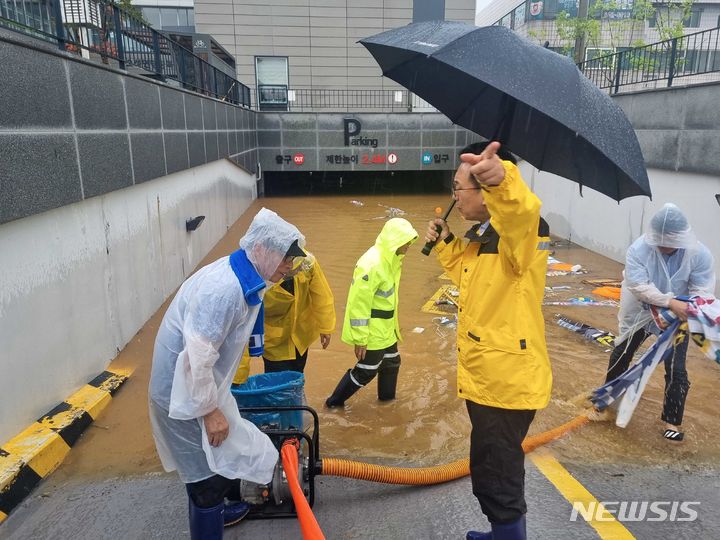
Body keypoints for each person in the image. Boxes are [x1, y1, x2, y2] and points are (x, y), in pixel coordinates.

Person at [148, 208, 306, 539]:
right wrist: (209, 412)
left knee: (214, 464)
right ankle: (212, 512)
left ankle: (219, 508)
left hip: (199, 387)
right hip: (183, 392)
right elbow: (195, 359)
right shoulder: (223, 290)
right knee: (205, 481)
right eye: (286, 259)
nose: (289, 267)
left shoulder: (245, 276)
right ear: (262, 250)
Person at [425, 141, 552, 540]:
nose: (455, 197)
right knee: (491, 466)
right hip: (490, 375)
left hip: (505, 382)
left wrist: (503, 180)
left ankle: (508, 536)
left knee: (498, 475)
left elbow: (521, 210)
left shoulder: (518, 234)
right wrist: (446, 240)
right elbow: (468, 272)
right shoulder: (484, 234)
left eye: (459, 188)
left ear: (484, 190)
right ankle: (502, 534)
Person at [601, 203, 715, 441]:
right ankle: (605, 404)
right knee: (622, 352)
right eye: (660, 242)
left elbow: (702, 290)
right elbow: (638, 286)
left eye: (670, 243)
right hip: (640, 309)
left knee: (676, 367)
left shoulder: (699, 254)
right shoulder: (639, 250)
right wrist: (669, 301)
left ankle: (672, 421)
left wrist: (686, 306)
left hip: (679, 315)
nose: (664, 247)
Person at [325, 217, 418, 407]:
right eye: (406, 241)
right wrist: (360, 338)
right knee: (367, 370)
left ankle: (387, 403)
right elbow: (358, 303)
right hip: (373, 331)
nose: (409, 245)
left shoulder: (391, 260)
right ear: (395, 240)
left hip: (387, 329)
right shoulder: (371, 264)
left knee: (392, 362)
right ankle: (333, 403)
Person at [262, 251, 336, 374]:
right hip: (274, 342)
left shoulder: (306, 262)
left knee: (297, 373)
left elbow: (321, 294)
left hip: (300, 336)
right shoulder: (262, 273)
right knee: (277, 382)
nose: (291, 266)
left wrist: (326, 327)